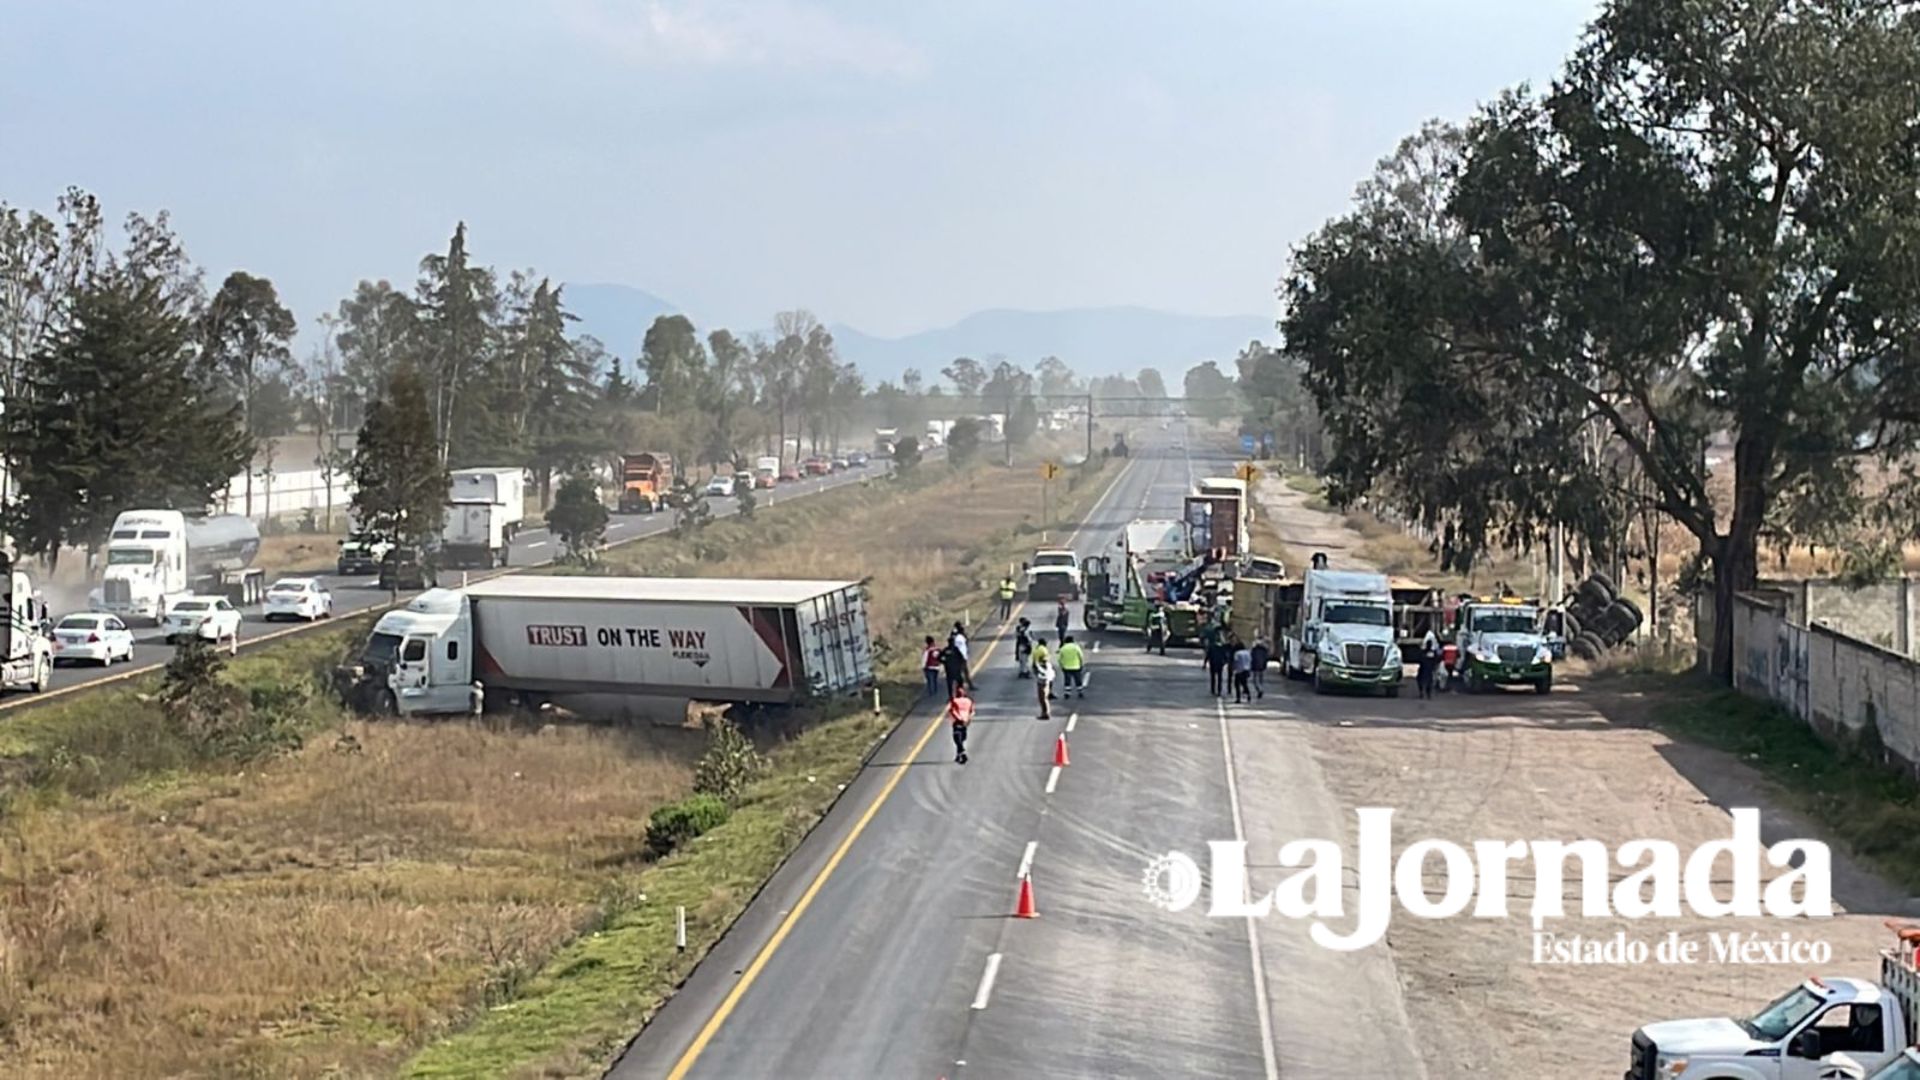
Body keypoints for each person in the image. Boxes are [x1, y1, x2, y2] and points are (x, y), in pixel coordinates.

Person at [947, 684, 975, 764]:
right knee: (962, 738)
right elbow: (972, 712)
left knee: (957, 738)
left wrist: (958, 717)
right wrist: (968, 719)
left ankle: (962, 752)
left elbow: (952, 710)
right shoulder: (969, 701)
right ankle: (959, 753)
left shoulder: (954, 701)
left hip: (958, 720)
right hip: (965, 721)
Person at [1031, 636, 1054, 719]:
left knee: (1042, 696)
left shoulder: (1038, 650)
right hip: (1047, 674)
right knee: (1045, 696)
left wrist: (1035, 670)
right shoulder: (1045, 649)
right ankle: (1045, 712)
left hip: (1042, 675)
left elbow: (1035, 662)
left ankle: (1045, 713)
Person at [1416, 627, 1441, 700]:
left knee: (1423, 679)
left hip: (1425, 668)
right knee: (1427, 680)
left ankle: (1424, 693)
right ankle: (1426, 693)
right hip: (1427, 669)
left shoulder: (1426, 652)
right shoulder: (1432, 652)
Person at [1231, 639, 1253, 703]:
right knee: (1244, 684)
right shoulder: (1247, 652)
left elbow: (1235, 661)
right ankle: (1248, 695)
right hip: (1246, 670)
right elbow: (1250, 660)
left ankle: (1238, 698)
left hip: (1239, 670)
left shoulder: (1237, 653)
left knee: (1237, 685)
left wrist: (1233, 669)